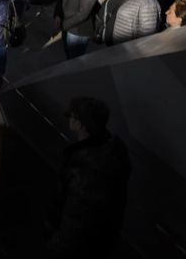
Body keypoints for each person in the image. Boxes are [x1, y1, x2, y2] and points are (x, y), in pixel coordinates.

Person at [45, 97, 130, 258]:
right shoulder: (111, 153)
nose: (70, 119)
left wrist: (54, 247)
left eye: (72, 116)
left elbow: (75, 221)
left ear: (80, 124)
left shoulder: (87, 170)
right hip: (101, 244)